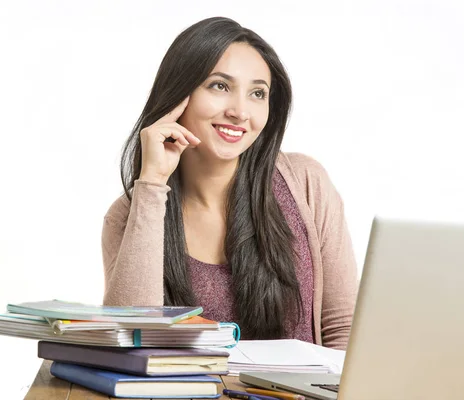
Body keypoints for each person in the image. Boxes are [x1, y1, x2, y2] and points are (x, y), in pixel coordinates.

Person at [101, 17, 358, 350]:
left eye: (257, 93)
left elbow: (344, 330)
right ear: (180, 93)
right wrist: (151, 184)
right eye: (220, 86)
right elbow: (129, 340)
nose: (240, 112)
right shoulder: (129, 215)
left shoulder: (306, 183)